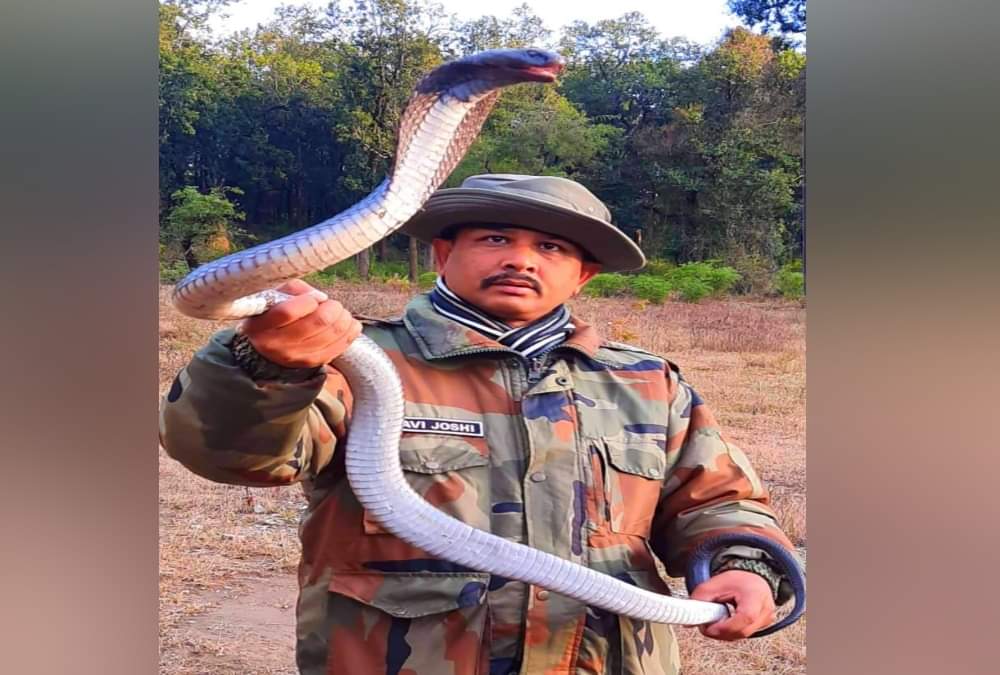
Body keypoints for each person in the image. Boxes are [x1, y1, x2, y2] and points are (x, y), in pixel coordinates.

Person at [160, 174, 797, 675]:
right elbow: (231, 456)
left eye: (550, 247)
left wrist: (742, 561)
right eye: (495, 239)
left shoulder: (647, 382)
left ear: (583, 274)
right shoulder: (353, 359)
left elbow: (717, 499)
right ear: (444, 252)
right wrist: (264, 364)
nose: (522, 259)